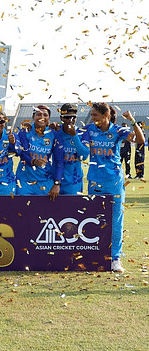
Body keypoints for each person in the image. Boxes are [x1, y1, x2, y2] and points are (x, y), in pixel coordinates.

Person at [79, 102, 142, 272]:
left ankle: (115, 259)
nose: (92, 118)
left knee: (116, 221)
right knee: (95, 219)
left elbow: (140, 140)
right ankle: (97, 256)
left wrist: (132, 120)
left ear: (106, 116)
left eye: (95, 115)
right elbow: (80, 147)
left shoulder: (117, 130)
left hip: (114, 181)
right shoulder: (89, 130)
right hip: (94, 180)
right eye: (91, 115)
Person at [15, 105, 65, 199]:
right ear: (33, 117)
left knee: (46, 212)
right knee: (23, 212)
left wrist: (57, 183)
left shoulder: (54, 135)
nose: (42, 117)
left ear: (49, 118)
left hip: (45, 180)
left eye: (45, 115)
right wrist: (33, 162)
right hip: (24, 181)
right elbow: (22, 154)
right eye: (38, 114)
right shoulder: (24, 132)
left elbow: (59, 161)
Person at [54, 103, 90, 195]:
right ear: (61, 118)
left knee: (73, 209)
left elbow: (84, 155)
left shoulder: (82, 133)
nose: (70, 120)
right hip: (55, 180)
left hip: (74, 182)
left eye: (73, 117)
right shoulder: (55, 132)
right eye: (67, 117)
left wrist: (74, 136)